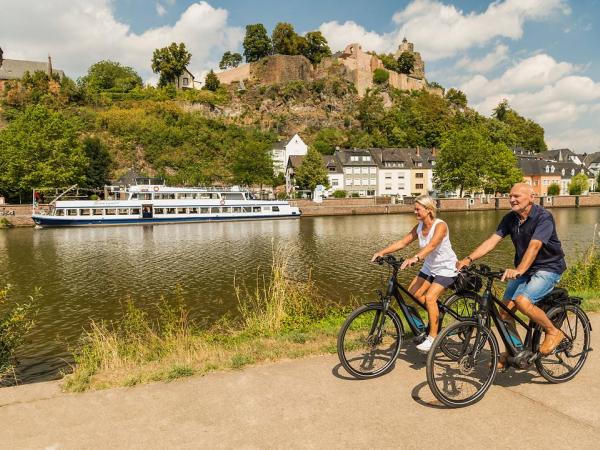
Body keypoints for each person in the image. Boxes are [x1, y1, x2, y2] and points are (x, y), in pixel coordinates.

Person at [456, 183, 566, 366]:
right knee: (505, 312)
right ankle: (514, 350)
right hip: (525, 269)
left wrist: (519, 270)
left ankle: (553, 332)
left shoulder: (543, 217)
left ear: (531, 197)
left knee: (523, 301)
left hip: (548, 268)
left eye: (517, 196)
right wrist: (468, 259)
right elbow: (492, 241)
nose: (512, 200)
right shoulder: (511, 218)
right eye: (510, 196)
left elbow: (535, 246)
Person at [372, 194, 458, 352]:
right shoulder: (419, 227)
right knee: (413, 293)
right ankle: (436, 315)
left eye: (417, 209)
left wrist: (416, 257)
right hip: (429, 266)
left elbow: (432, 245)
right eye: (414, 209)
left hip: (446, 267)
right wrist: (381, 252)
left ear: (428, 210)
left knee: (430, 297)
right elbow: (403, 242)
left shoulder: (440, 225)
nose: (415, 212)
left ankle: (433, 337)